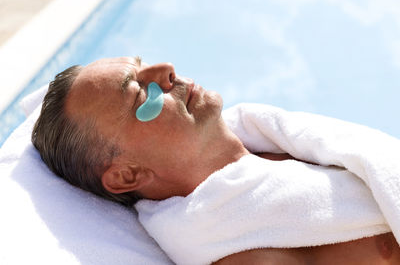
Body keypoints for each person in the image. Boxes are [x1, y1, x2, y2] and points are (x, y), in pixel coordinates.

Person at [32, 57, 400, 264]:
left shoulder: (272, 146)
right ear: (128, 174)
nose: (165, 70)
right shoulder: (251, 251)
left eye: (144, 64)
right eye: (139, 91)